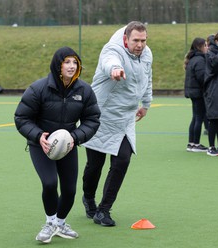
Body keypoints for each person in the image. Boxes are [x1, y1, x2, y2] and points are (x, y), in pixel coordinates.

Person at [14, 47, 101, 243]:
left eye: (75, 63)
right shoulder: (38, 88)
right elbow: (21, 117)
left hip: (67, 145)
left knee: (70, 190)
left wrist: (75, 137)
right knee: (50, 183)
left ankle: (60, 224)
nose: (72, 66)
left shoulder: (84, 90)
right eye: (67, 62)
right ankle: (50, 222)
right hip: (41, 145)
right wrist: (38, 137)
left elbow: (93, 119)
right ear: (58, 65)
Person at [81, 21, 153, 226]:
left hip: (125, 118)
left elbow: (147, 78)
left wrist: (146, 103)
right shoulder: (112, 49)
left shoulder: (147, 54)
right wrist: (115, 69)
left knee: (122, 160)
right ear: (126, 39)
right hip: (101, 115)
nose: (140, 45)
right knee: (95, 165)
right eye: (135, 41)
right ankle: (88, 198)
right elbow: (109, 61)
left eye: (143, 40)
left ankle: (104, 210)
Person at [184, 37, 208, 152]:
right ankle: (196, 144)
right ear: (200, 46)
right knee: (199, 118)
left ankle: (191, 143)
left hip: (193, 92)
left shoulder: (193, 59)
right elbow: (202, 78)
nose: (207, 47)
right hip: (198, 93)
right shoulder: (199, 60)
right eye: (206, 45)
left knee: (195, 117)